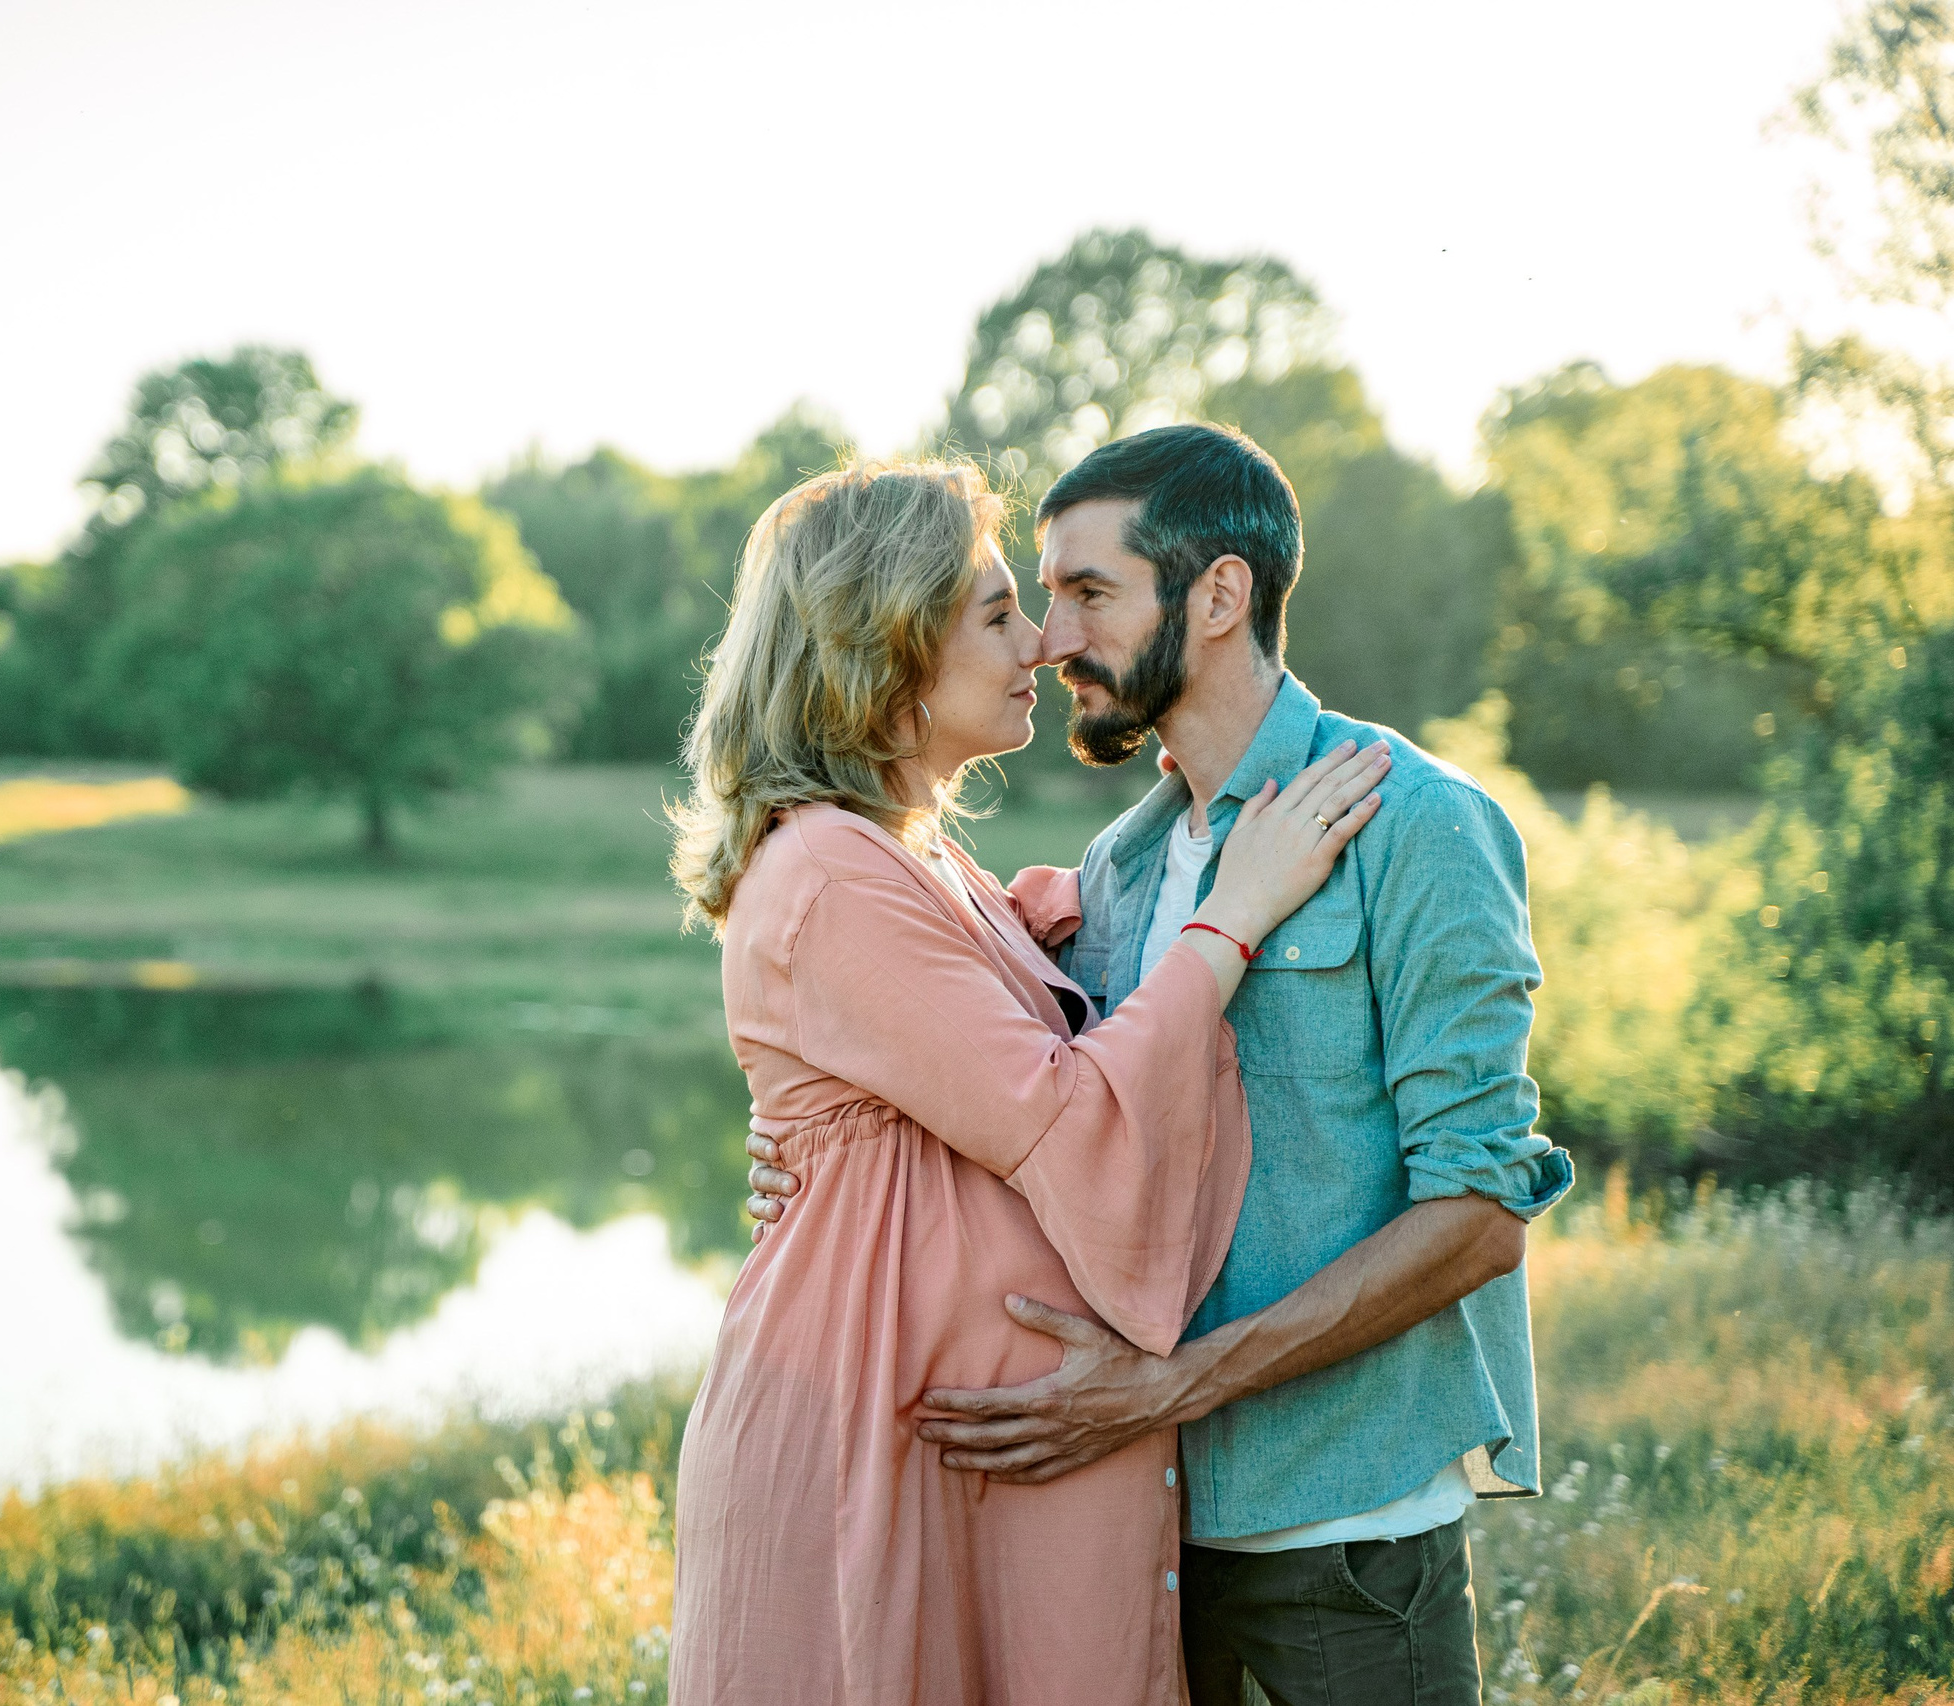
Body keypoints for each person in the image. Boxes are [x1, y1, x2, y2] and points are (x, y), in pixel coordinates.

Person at [747, 424, 1575, 1706]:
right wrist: (823, 1160)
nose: (1050, 637)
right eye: (1033, 597)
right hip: (1138, 1535)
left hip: (1338, 1533)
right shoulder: (1121, 873)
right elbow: (1041, 1110)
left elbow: (1475, 1217)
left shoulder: (1413, 823)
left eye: (1087, 593)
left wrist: (1172, 1384)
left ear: (1219, 594)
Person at [666, 457, 1391, 1706]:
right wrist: (1232, 914)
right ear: (884, 644)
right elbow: (1063, 1112)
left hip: (957, 1432)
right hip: (873, 1433)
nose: (1045, 644)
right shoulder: (832, 871)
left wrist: (1139, 885)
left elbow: (990, 983)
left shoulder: (914, 857)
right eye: (998, 613)